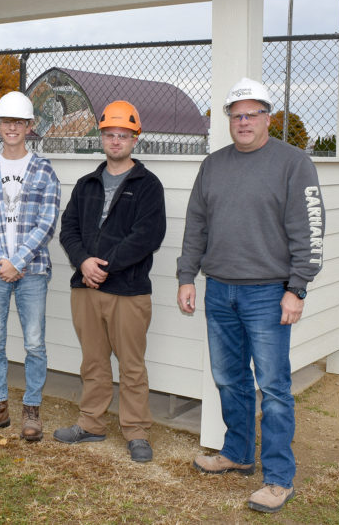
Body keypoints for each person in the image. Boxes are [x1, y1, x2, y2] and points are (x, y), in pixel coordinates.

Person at [176, 77, 324, 514]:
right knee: (229, 379)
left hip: (268, 293)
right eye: (235, 114)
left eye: (251, 114)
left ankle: (278, 478)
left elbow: (309, 230)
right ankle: (238, 453)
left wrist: (296, 288)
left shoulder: (293, 164)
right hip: (220, 290)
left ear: (267, 118)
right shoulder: (213, 165)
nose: (243, 121)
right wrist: (188, 276)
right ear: (228, 120)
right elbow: (195, 224)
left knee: (274, 388)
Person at [54, 100, 166, 463]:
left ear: (136, 139)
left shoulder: (148, 185)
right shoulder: (87, 184)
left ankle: (135, 431)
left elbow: (147, 235)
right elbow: (68, 228)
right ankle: (91, 424)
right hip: (85, 288)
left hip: (128, 291)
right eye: (109, 134)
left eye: (123, 135)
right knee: (94, 362)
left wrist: (105, 266)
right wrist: (84, 262)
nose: (116, 141)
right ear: (100, 136)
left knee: (131, 365)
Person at [0, 91, 60, 441]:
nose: (12, 128)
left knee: (34, 342)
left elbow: (47, 222)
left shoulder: (43, 170)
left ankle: (32, 409)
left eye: (19, 122)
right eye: (6, 122)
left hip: (31, 271)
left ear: (29, 126)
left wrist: (18, 261)